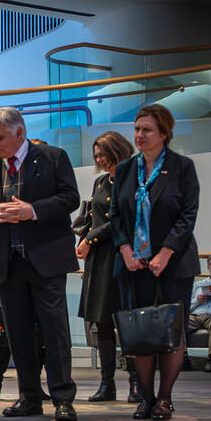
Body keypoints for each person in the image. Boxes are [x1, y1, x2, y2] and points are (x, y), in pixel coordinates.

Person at [0, 107, 79, 421]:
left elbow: (70, 198)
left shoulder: (52, 157)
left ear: (20, 132)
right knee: (17, 334)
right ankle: (29, 398)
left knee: (54, 332)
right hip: (8, 263)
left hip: (47, 260)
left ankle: (62, 398)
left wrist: (32, 210)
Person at [111, 103, 200, 420]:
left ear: (164, 133)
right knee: (140, 334)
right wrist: (125, 250)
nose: (139, 135)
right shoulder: (124, 170)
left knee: (172, 333)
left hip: (174, 263)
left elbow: (187, 216)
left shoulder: (182, 167)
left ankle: (165, 398)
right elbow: (116, 217)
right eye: (136, 129)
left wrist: (164, 253)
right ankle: (145, 398)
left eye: (147, 130)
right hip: (134, 265)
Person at [76, 130, 134, 402]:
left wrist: (91, 237)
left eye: (104, 153)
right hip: (99, 261)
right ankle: (107, 384)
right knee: (102, 322)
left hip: (122, 256)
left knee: (127, 322)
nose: (100, 158)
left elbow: (124, 219)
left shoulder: (134, 178)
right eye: (97, 154)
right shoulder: (99, 182)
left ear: (118, 150)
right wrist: (84, 236)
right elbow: (94, 215)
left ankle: (136, 382)